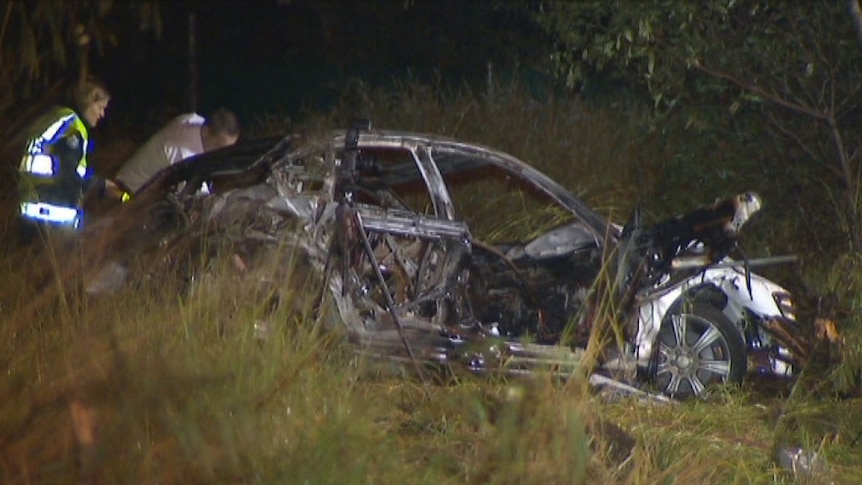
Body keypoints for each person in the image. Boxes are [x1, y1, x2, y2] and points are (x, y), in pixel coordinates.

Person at [17, 77, 111, 236]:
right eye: (100, 107)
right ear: (88, 102)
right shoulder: (72, 128)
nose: (102, 114)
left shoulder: (56, 117)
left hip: (30, 208)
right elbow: (69, 173)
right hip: (53, 214)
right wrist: (101, 185)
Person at [114, 108, 240, 197]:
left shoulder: (193, 120)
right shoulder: (181, 154)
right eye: (220, 146)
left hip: (148, 188)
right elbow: (200, 198)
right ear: (206, 132)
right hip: (128, 194)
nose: (224, 153)